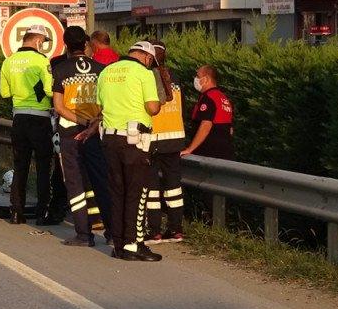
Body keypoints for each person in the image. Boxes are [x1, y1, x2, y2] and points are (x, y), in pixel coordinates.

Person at [96, 41, 163, 261]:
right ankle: (134, 244)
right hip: (134, 141)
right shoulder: (143, 73)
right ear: (146, 57)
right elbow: (153, 107)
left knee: (117, 192)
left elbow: (99, 106)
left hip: (110, 139)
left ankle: (119, 245)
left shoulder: (106, 71)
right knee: (137, 193)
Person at [50, 26, 112, 246]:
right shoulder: (101, 69)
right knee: (101, 181)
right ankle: (113, 232)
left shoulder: (60, 69)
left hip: (70, 133)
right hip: (96, 133)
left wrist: (82, 121)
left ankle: (84, 234)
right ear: (86, 44)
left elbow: (59, 106)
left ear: (66, 44)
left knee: (75, 183)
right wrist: (93, 122)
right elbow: (107, 103)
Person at [0, 24, 56, 225]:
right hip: (40, 118)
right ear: (38, 40)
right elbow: (50, 90)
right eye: (44, 43)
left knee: (20, 166)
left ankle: (16, 212)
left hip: (18, 119)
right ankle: (42, 213)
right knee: (42, 167)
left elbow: (5, 93)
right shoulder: (41, 61)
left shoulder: (8, 61)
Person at [146, 41, 186, 244]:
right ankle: (176, 229)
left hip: (153, 139)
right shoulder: (176, 77)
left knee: (151, 187)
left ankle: (154, 231)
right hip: (175, 138)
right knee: (174, 187)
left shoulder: (147, 77)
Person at [182, 65, 235, 159]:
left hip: (208, 153)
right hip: (224, 153)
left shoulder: (208, 98)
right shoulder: (223, 98)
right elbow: (230, 130)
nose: (196, 79)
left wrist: (190, 149)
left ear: (206, 79)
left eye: (198, 76)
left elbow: (206, 125)